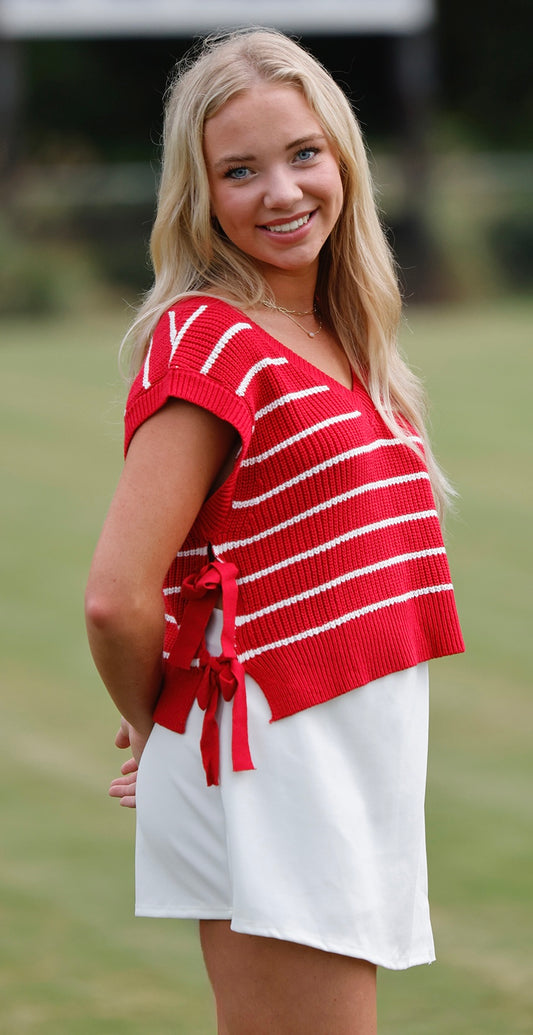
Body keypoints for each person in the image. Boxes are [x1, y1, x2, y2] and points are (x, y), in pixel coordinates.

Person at [85, 27, 464, 1035]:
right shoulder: (209, 335)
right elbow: (117, 597)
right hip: (277, 768)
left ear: (342, 155)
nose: (282, 191)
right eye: (238, 171)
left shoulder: (345, 339)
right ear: (198, 196)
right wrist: (164, 717)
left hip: (341, 760)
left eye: (302, 154)